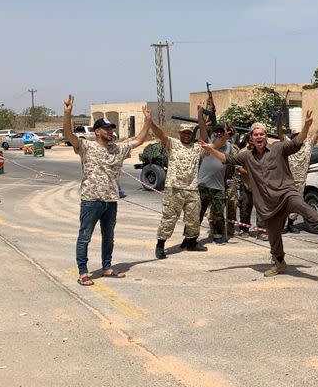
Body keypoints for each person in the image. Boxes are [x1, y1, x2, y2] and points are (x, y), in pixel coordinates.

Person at [201, 110, 318, 277]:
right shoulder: (246, 156)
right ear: (251, 138)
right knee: (274, 237)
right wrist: (210, 150)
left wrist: (306, 126)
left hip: (286, 194)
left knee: (300, 204)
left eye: (262, 134)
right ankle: (279, 262)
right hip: (267, 205)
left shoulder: (278, 148)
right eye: (256, 134)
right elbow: (227, 159)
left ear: (266, 136)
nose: (259, 137)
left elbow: (297, 142)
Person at [63, 94, 152, 286]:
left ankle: (106, 267)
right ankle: (83, 272)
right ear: (97, 132)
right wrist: (67, 115)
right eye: (106, 128)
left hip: (111, 200)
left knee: (108, 236)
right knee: (85, 237)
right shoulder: (86, 147)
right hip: (91, 200)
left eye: (111, 128)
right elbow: (69, 136)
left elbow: (138, 141)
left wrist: (147, 122)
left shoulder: (117, 149)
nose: (110, 131)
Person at [150, 112, 219, 259]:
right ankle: (160, 245)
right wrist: (150, 122)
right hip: (174, 188)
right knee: (169, 218)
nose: (186, 135)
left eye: (189, 133)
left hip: (192, 189)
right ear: (180, 133)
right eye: (184, 133)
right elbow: (160, 134)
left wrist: (200, 116)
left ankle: (191, 242)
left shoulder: (197, 148)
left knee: (194, 219)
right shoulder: (173, 144)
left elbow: (206, 138)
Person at [282, 111, 318, 233]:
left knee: (296, 203)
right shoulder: (288, 143)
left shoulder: (308, 144)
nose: (300, 136)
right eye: (297, 135)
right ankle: (280, 225)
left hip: (300, 181)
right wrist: (279, 119)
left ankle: (291, 224)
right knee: (283, 202)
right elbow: (279, 133)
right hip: (286, 179)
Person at [197, 120, 233, 245]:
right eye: (216, 131)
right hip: (203, 185)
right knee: (197, 213)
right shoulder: (207, 143)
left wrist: (227, 182)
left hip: (218, 186)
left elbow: (228, 163)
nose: (218, 133)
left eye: (220, 131)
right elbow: (202, 128)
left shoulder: (228, 146)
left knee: (218, 213)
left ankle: (218, 235)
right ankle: (191, 236)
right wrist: (200, 115)